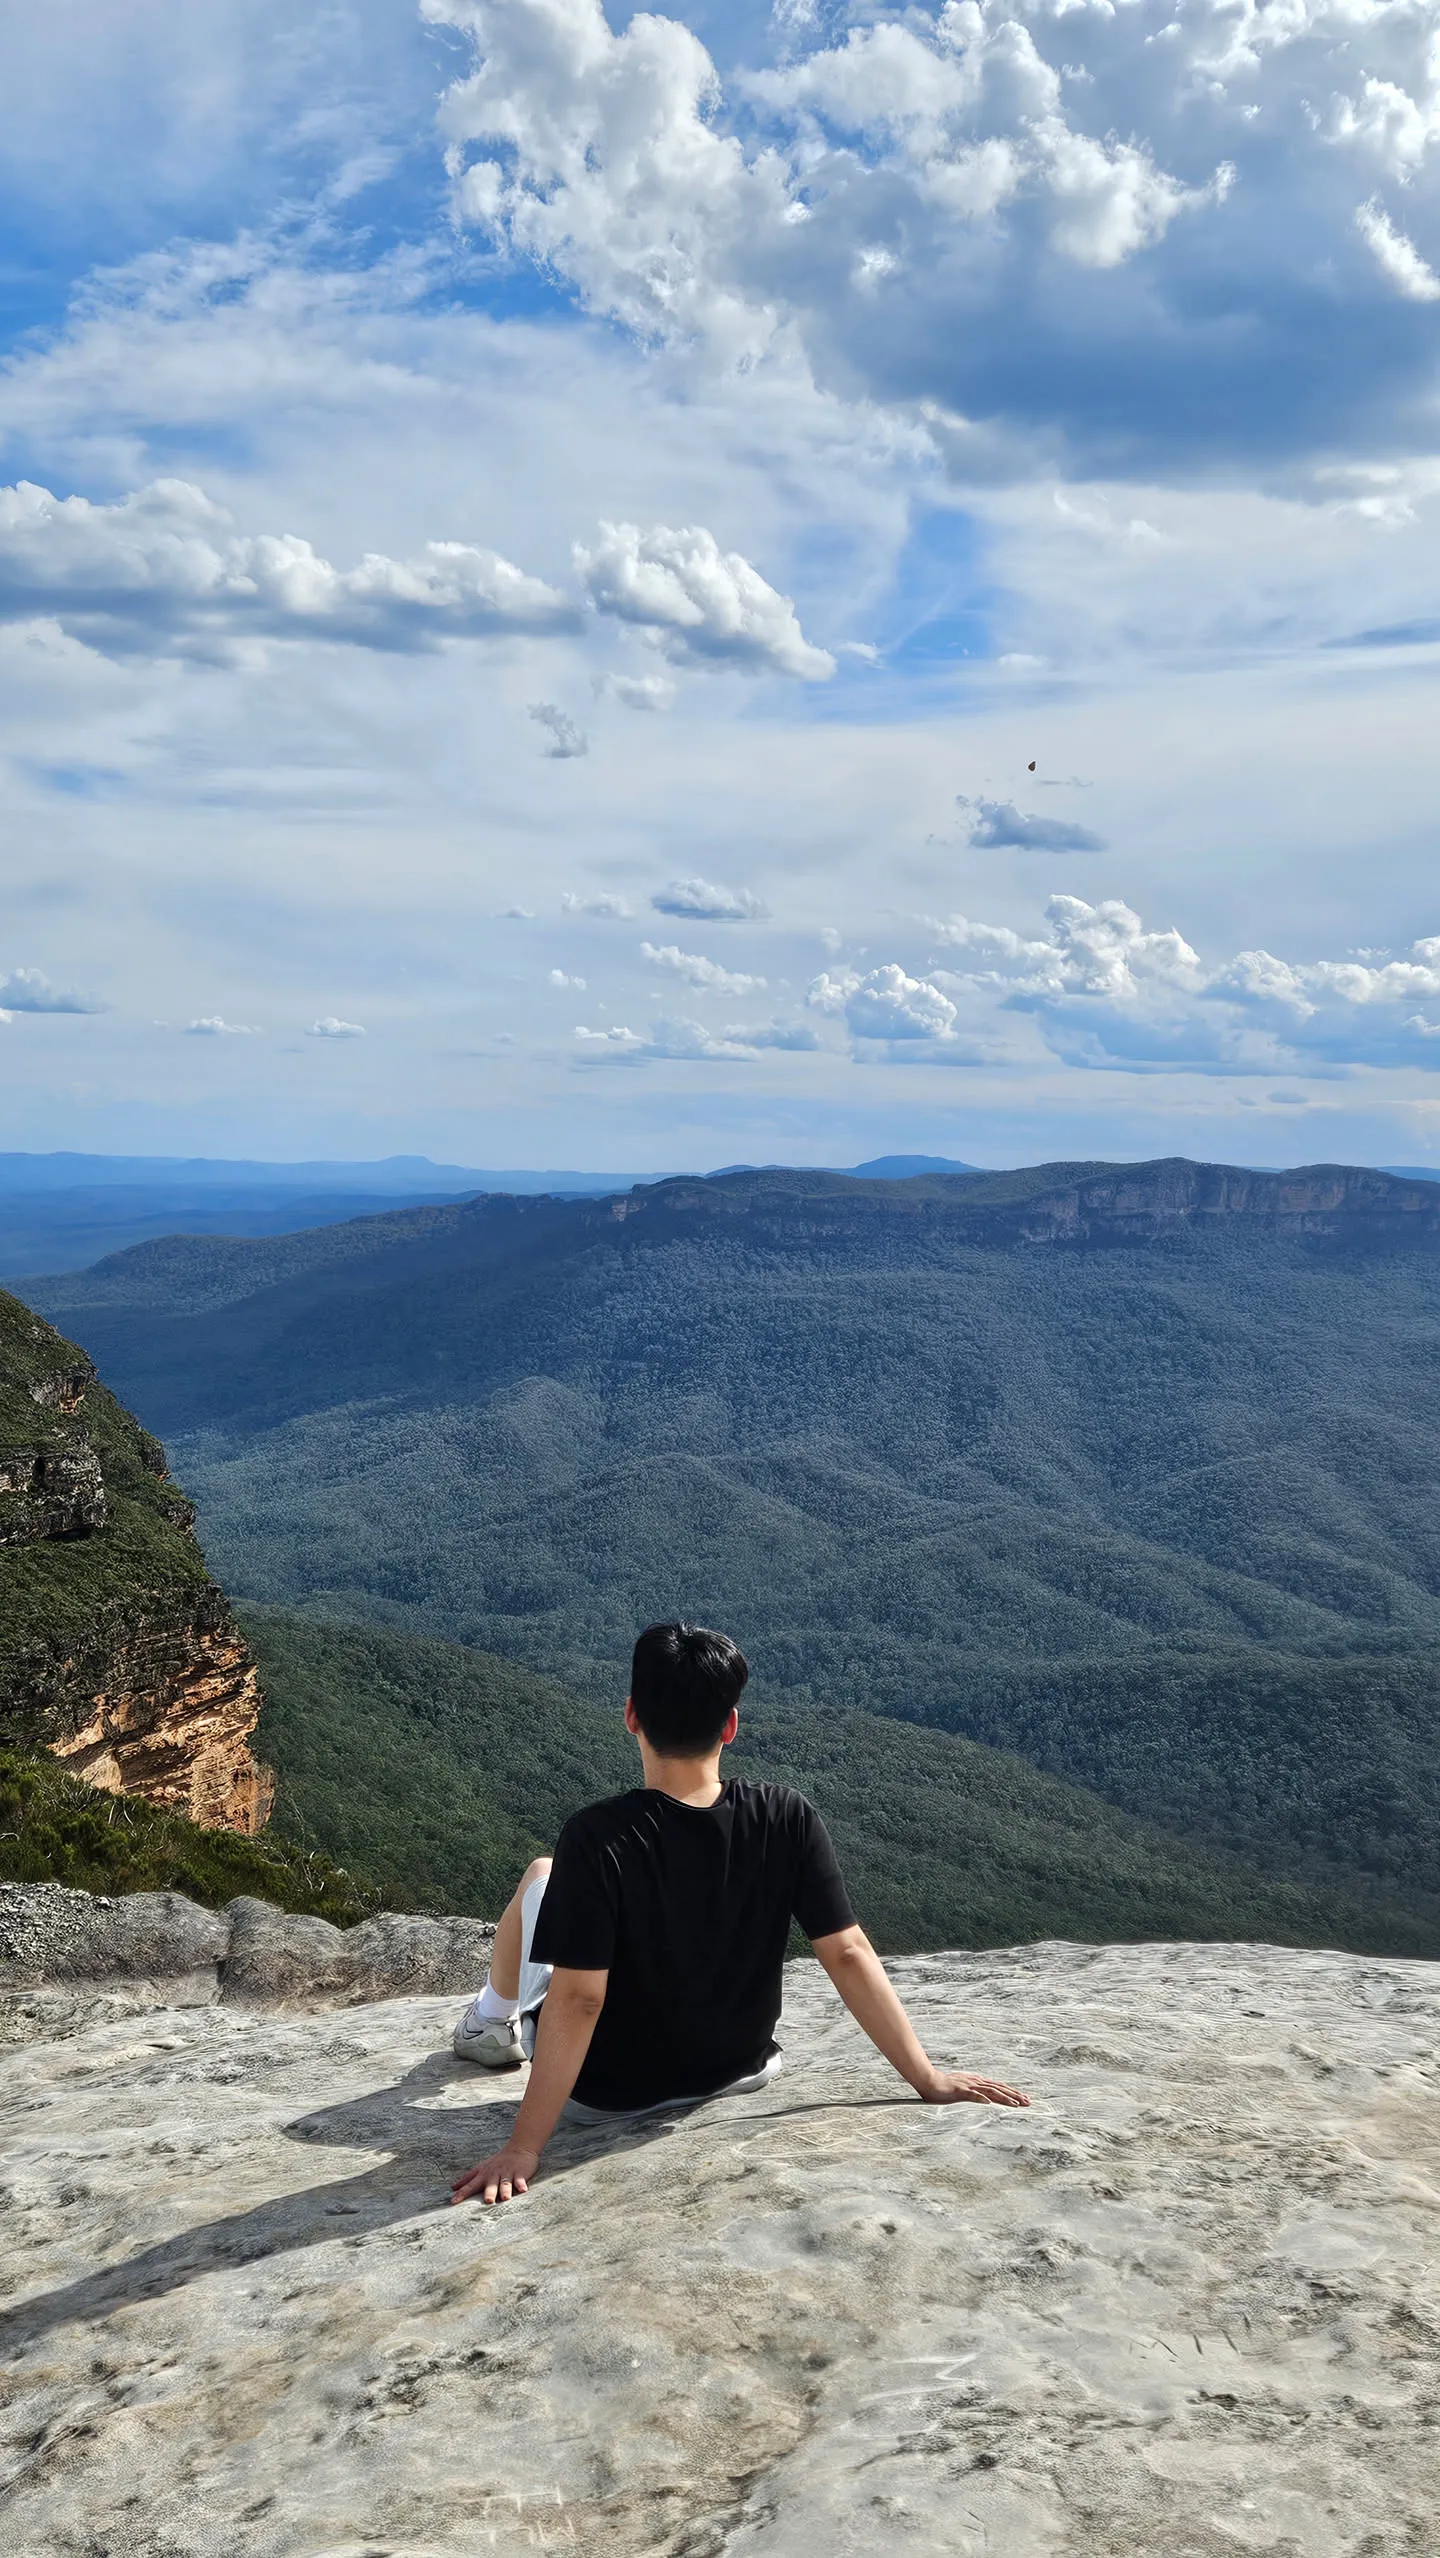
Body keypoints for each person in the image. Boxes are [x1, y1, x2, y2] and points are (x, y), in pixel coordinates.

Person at [450, 1622, 1029, 2206]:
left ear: (631, 1716)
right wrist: (926, 2078)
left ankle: (490, 2024)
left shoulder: (597, 1837)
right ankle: (494, 2019)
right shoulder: (787, 1816)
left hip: (603, 2098)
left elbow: (580, 1999)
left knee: (541, 1875)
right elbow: (848, 1953)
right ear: (730, 1724)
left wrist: (524, 2147)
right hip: (740, 2072)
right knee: (550, 1878)